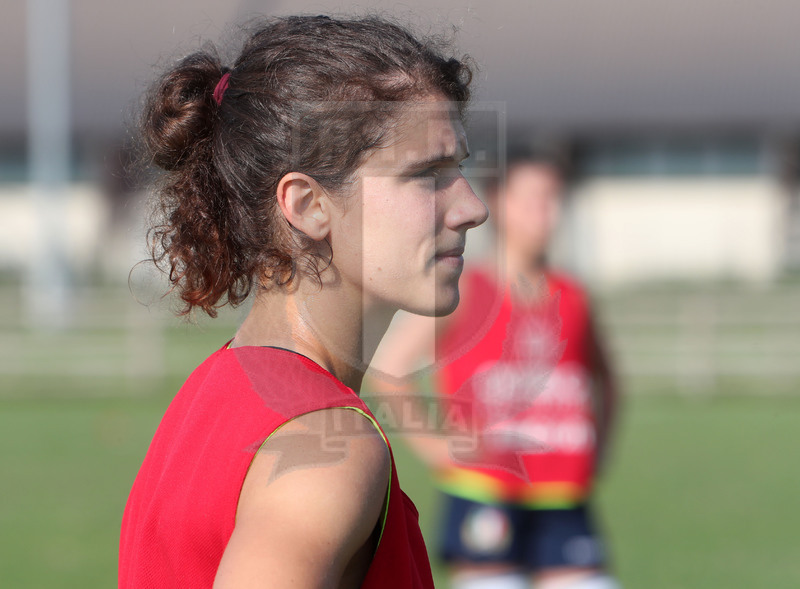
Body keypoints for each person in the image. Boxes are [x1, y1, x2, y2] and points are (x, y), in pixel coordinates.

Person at [118, 14, 488, 588]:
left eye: (458, 167)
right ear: (309, 206)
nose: (471, 206)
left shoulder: (217, 389)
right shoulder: (327, 452)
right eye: (426, 174)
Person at [367, 147, 622, 589]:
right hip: (485, 493)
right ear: (499, 203)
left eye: (554, 198)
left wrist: (597, 453)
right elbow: (388, 372)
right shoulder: (464, 290)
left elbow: (609, 381)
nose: (547, 212)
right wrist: (438, 449)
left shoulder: (573, 296)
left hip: (563, 493)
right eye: (533, 199)